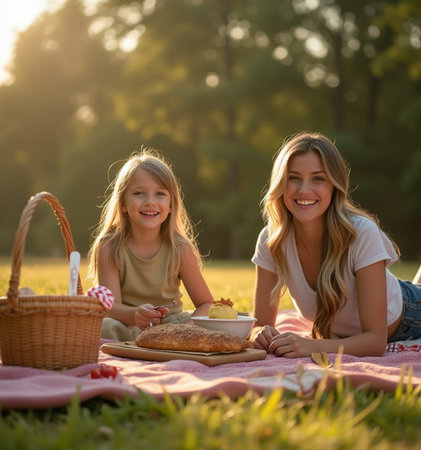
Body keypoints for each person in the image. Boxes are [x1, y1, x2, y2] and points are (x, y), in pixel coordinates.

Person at [251, 131, 421, 358]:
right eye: (293, 178)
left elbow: (375, 342)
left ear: (335, 185)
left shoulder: (361, 233)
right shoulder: (271, 240)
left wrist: (313, 346)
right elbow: (259, 325)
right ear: (280, 184)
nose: (304, 190)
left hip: (412, 312)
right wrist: (260, 333)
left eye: (318, 178)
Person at [88, 149, 214, 341]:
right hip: (127, 324)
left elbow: (206, 303)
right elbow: (110, 306)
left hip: (171, 325)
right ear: (123, 203)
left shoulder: (180, 249)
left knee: (223, 321)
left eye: (160, 194)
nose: (150, 202)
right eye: (139, 193)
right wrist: (135, 315)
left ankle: (162, 341)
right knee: (104, 327)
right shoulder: (109, 245)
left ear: (171, 205)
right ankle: (142, 343)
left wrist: (187, 330)